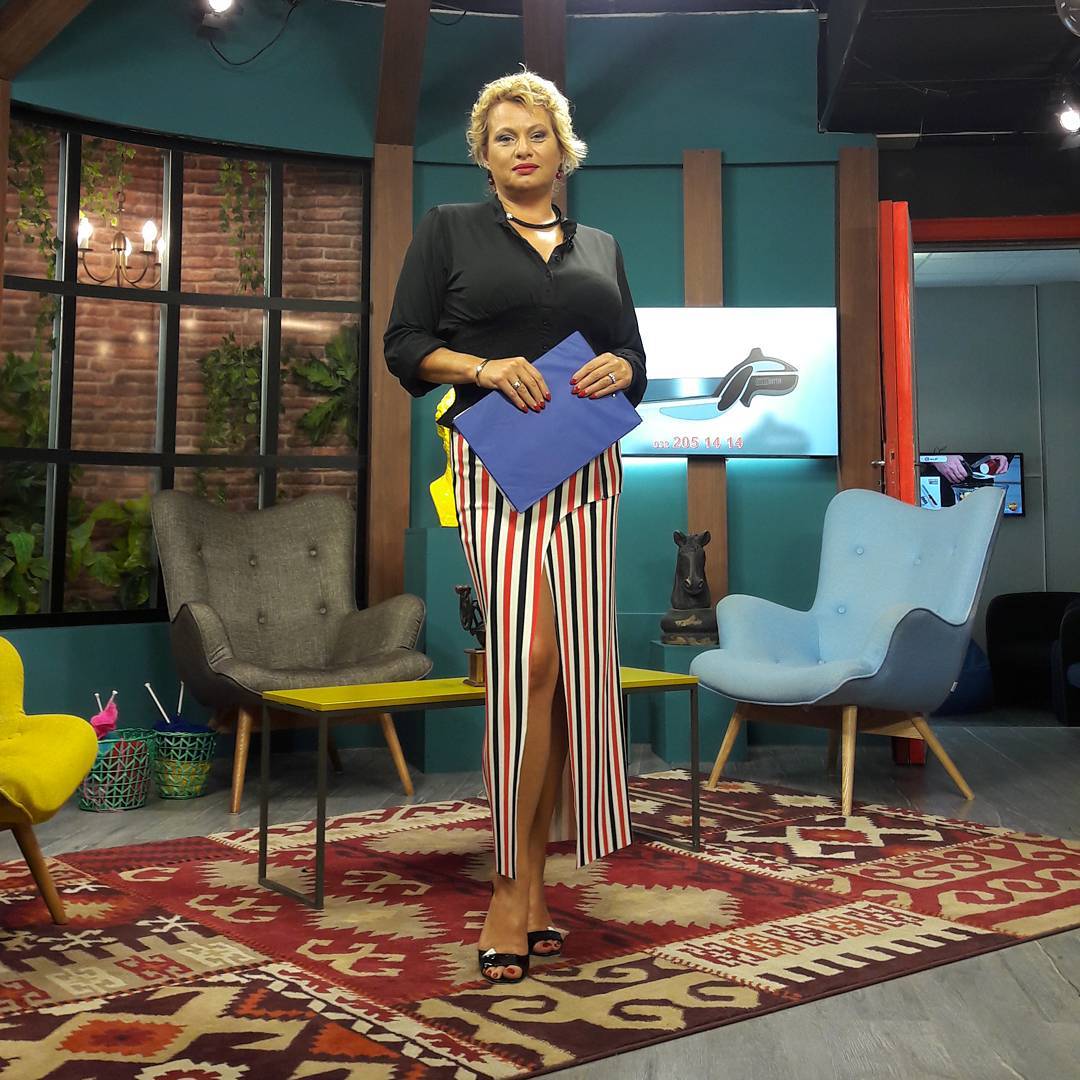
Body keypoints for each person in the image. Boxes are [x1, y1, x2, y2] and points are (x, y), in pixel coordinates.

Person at [383, 69, 647, 985]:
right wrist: (485, 368)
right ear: (483, 155)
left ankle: (536, 883)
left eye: (536, 133)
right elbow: (405, 345)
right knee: (528, 658)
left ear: (563, 150)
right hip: (494, 463)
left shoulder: (602, 246)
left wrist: (622, 368)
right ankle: (506, 883)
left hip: (590, 470)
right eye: (504, 136)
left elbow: (634, 353)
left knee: (566, 669)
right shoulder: (448, 229)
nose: (522, 148)